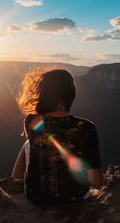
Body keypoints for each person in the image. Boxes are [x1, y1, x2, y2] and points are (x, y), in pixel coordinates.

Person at [12, 68, 102, 205]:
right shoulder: (87, 127)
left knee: (28, 144)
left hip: (35, 196)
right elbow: (96, 181)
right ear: (71, 96)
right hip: (73, 198)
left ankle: (15, 180)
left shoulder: (31, 121)